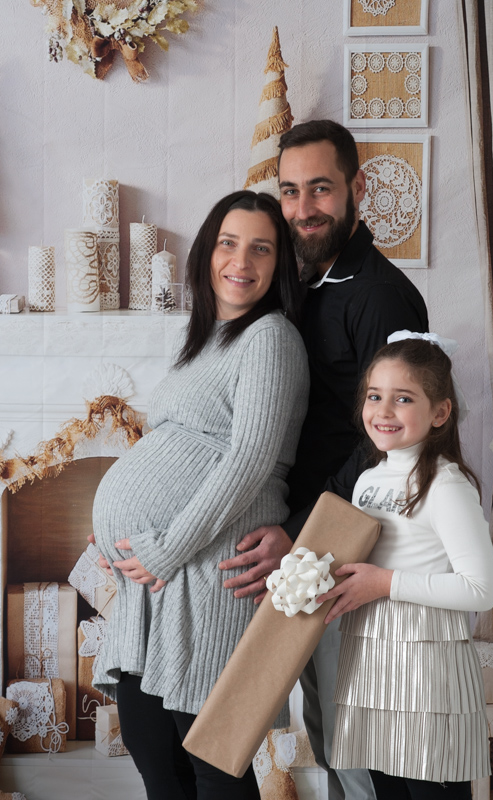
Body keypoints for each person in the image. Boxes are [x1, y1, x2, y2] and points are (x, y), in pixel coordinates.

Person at [219, 120, 429, 800]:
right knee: (328, 728)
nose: (304, 208)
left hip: (354, 540)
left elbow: (388, 441)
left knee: (356, 736)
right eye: (290, 191)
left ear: (356, 187)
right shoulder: (302, 281)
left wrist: (299, 533)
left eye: (320, 189)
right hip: (308, 543)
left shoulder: (382, 295)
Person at [91, 190, 310, 800]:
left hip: (206, 576)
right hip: (158, 584)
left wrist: (164, 548)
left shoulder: (270, 337)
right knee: (153, 752)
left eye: (261, 249)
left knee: (213, 764)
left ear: (279, 264)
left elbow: (248, 461)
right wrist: (115, 529)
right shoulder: (206, 338)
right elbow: (170, 449)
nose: (241, 261)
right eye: (228, 243)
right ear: (207, 253)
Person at [317, 331, 493, 800]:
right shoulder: (367, 481)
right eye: (374, 396)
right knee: (386, 788)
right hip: (371, 661)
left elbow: (480, 589)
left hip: (426, 667)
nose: (383, 411)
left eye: (403, 398)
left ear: (440, 412)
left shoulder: (445, 485)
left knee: (430, 788)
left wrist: (385, 583)